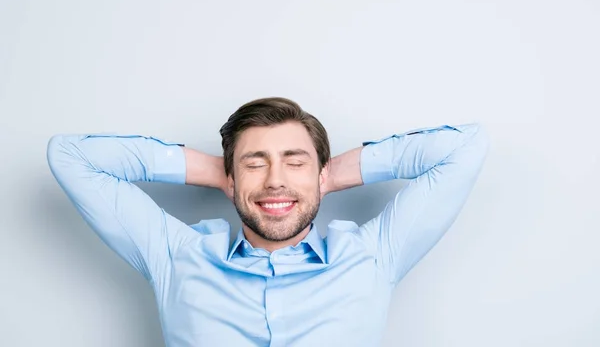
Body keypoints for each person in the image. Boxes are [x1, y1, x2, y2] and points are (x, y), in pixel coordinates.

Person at [47, 96, 489, 347]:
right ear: (231, 176)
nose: (275, 181)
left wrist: (328, 176)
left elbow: (465, 148)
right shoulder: (175, 256)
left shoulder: (372, 256)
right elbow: (71, 156)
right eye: (255, 164)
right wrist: (221, 172)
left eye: (294, 162)